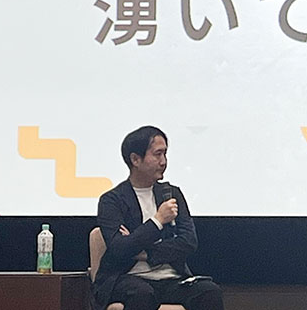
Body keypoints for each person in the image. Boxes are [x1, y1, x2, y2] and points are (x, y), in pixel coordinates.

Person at [94, 126, 224, 310]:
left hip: (171, 278)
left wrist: (145, 252)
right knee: (142, 294)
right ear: (135, 159)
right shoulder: (112, 200)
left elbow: (188, 242)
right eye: (157, 154)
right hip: (128, 278)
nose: (163, 162)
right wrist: (158, 220)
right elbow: (119, 249)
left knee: (209, 291)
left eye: (165, 154)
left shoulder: (172, 194)